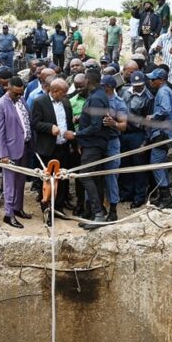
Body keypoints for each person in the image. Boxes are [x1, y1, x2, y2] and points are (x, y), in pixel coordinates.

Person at [31, 78, 75, 224]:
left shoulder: (66, 103)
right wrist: (50, 128)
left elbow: (69, 124)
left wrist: (73, 140)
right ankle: (47, 209)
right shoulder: (39, 102)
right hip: (48, 148)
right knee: (48, 181)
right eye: (63, 93)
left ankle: (59, 207)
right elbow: (35, 123)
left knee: (62, 180)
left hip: (63, 146)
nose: (65, 96)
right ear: (54, 91)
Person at [0, 76, 32, 228]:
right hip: (10, 151)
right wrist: (4, 154)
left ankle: (17, 208)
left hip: (24, 148)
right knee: (9, 183)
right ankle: (8, 214)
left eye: (21, 93)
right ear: (8, 88)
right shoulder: (0, 105)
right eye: (16, 93)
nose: (19, 96)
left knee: (21, 182)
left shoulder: (21, 101)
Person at [75, 70, 112, 229]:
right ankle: (94, 214)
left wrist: (76, 134)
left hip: (93, 144)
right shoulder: (98, 95)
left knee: (85, 176)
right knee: (94, 177)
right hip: (92, 143)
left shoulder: (97, 98)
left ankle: (98, 214)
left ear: (88, 81)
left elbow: (96, 126)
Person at [119, 70, 154, 208]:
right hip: (123, 133)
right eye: (135, 85)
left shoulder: (148, 98)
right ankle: (127, 193)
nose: (137, 87)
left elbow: (149, 123)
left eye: (140, 85)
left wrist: (145, 141)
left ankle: (139, 196)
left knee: (138, 166)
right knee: (125, 164)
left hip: (138, 134)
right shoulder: (125, 91)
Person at [145, 68, 172, 208]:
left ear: (162, 80)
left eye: (153, 79)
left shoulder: (163, 92)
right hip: (164, 131)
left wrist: (153, 116)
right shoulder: (164, 90)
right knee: (160, 163)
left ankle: (166, 198)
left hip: (163, 132)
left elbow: (165, 110)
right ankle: (163, 195)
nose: (151, 81)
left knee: (156, 163)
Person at [101, 74, 128, 222]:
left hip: (112, 142)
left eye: (103, 85)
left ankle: (113, 210)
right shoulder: (97, 98)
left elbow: (123, 126)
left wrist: (114, 124)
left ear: (109, 87)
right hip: (98, 142)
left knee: (111, 176)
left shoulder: (119, 103)